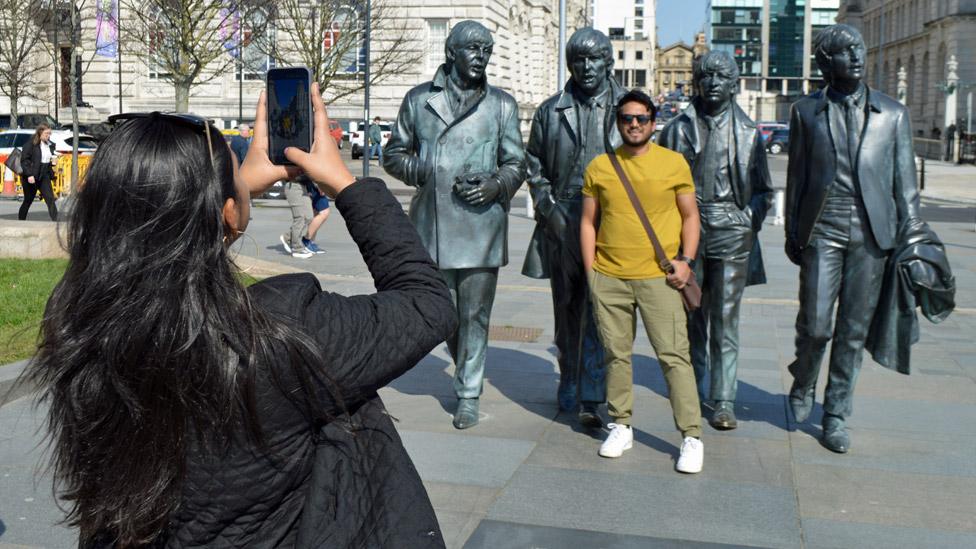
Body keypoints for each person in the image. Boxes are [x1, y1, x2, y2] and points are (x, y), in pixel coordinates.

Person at [22, 84, 456, 547]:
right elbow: (426, 301)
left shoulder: (81, 329)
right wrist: (345, 185)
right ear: (229, 215)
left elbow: (155, 248)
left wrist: (229, 191)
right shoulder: (283, 331)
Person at [784, 25, 921, 453]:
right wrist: (792, 230)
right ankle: (804, 377)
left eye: (858, 49)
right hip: (822, 227)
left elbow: (906, 185)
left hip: (872, 233)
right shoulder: (806, 112)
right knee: (818, 324)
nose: (856, 57)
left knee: (853, 331)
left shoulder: (893, 114)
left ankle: (836, 414)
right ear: (826, 63)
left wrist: (912, 236)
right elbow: (797, 177)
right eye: (844, 52)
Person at [384, 20, 525, 430]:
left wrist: (497, 183)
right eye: (473, 49)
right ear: (452, 53)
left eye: (487, 50)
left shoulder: (502, 105)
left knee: (477, 315)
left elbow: (518, 162)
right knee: (444, 315)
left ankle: (468, 393)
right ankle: (466, 368)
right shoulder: (418, 100)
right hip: (434, 225)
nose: (481, 57)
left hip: (482, 225)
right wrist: (423, 168)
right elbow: (394, 155)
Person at [581, 90, 704, 473]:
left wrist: (686, 261)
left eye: (642, 118)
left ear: (654, 121)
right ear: (617, 122)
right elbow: (588, 221)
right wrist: (592, 274)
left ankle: (691, 435)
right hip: (610, 278)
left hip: (660, 279)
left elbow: (690, 216)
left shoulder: (673, 163)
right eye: (626, 118)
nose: (634, 124)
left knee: (673, 357)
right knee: (616, 356)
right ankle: (621, 425)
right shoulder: (600, 166)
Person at [658, 51, 773, 430]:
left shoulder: (748, 131)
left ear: (734, 83)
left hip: (731, 230)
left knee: (725, 317)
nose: (711, 83)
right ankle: (693, 384)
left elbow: (763, 191)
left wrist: (747, 218)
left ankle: (723, 398)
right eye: (705, 76)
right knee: (691, 312)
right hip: (688, 230)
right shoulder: (677, 128)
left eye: (720, 77)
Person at [521, 28, 623, 427]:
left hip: (612, 220)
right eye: (578, 60)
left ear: (608, 62)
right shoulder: (551, 110)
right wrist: (547, 206)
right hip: (563, 215)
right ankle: (568, 377)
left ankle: (593, 393)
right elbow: (533, 163)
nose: (586, 67)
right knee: (567, 307)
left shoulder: (626, 107)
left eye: (594, 59)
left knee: (602, 309)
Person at [18, 123, 59, 221]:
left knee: (50, 199)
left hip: (44, 176)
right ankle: (21, 221)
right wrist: (29, 175)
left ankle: (56, 222)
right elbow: (24, 161)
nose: (48, 136)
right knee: (28, 200)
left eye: (49, 134)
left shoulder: (49, 145)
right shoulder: (31, 144)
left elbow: (46, 161)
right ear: (40, 132)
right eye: (46, 133)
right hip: (32, 175)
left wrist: (52, 164)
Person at [279, 176, 315, 259]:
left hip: (304, 186)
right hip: (293, 185)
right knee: (300, 217)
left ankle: (288, 237)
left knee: (309, 217)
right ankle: (297, 248)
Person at [304, 175, 330, 254]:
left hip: (312, 182)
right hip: (314, 183)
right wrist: (320, 184)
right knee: (324, 212)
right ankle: (306, 240)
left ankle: (310, 241)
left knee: (316, 213)